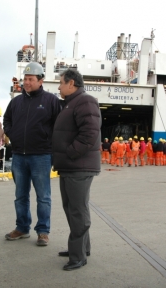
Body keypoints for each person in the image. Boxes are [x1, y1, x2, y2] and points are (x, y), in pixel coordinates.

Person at [3, 62, 61, 246]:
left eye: (30, 79)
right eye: (25, 79)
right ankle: (22, 228)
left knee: (43, 196)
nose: (26, 83)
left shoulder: (51, 101)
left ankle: (43, 231)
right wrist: (13, 135)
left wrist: (50, 146)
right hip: (19, 155)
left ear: (40, 80)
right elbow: (7, 120)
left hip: (41, 156)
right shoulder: (16, 102)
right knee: (20, 195)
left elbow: (58, 126)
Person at [52, 68, 101, 271]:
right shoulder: (71, 103)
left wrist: (70, 153)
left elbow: (89, 133)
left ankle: (78, 256)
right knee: (73, 209)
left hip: (78, 166)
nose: (59, 86)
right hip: (70, 167)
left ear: (71, 83)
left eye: (61, 83)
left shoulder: (85, 101)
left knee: (78, 211)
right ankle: (82, 248)